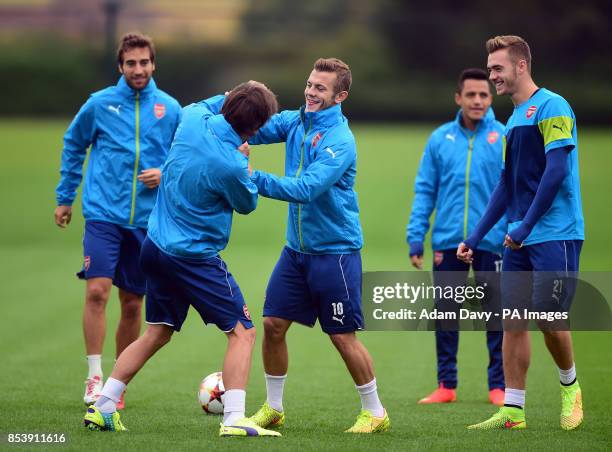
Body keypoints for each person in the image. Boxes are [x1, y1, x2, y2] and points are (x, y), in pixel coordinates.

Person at [83, 81, 282, 437]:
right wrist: (245, 159)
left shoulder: (191, 117)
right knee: (243, 333)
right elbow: (247, 204)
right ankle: (234, 418)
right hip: (193, 258)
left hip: (154, 247)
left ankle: (104, 406)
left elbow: (216, 101)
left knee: (156, 332)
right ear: (253, 129)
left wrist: (247, 90)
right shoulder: (232, 165)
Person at [243, 58, 390, 433]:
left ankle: (375, 412)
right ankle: (274, 408)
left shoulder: (340, 140)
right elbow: (253, 128)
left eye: (320, 88)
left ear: (340, 96)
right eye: (309, 84)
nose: (310, 92)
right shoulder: (296, 119)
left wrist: (250, 176)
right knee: (273, 324)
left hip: (335, 253)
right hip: (296, 252)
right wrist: (226, 111)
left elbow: (306, 189)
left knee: (341, 335)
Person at [458, 35, 584, 430]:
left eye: (497, 68)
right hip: (519, 235)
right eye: (490, 68)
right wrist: (475, 237)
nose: (492, 75)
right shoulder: (513, 120)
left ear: (521, 66)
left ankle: (570, 388)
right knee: (512, 319)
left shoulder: (553, 106)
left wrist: (527, 224)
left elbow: (557, 171)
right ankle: (513, 410)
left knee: (550, 317)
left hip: (555, 233)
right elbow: (505, 185)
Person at [54, 33, 181, 408]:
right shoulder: (99, 104)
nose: (138, 69)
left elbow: (184, 157)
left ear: (153, 64)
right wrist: (65, 197)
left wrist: (164, 173)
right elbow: (74, 144)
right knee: (97, 291)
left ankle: (115, 385)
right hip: (103, 214)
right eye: (131, 63)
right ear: (120, 67)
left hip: (146, 221)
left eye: (144, 62)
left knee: (131, 303)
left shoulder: (170, 109)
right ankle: (93, 378)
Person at [407, 68, 506, 406]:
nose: (477, 100)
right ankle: (446, 385)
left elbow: (518, 191)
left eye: (483, 95)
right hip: (448, 240)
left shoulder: (505, 138)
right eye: (471, 95)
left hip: (493, 241)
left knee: (496, 314)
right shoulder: (440, 139)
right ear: (458, 98)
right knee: (446, 313)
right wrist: (416, 235)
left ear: (491, 99)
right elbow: (424, 190)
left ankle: (499, 387)